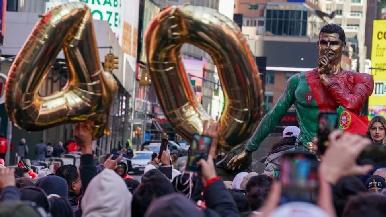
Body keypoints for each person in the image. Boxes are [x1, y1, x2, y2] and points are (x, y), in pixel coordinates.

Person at [228, 24, 374, 170]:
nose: (328, 47)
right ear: (318, 45)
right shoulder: (298, 81)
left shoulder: (361, 79)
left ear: (343, 45)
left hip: (344, 158)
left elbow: (351, 104)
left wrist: (327, 79)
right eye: (324, 42)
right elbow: (273, 116)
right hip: (306, 155)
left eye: (334, 43)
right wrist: (249, 149)